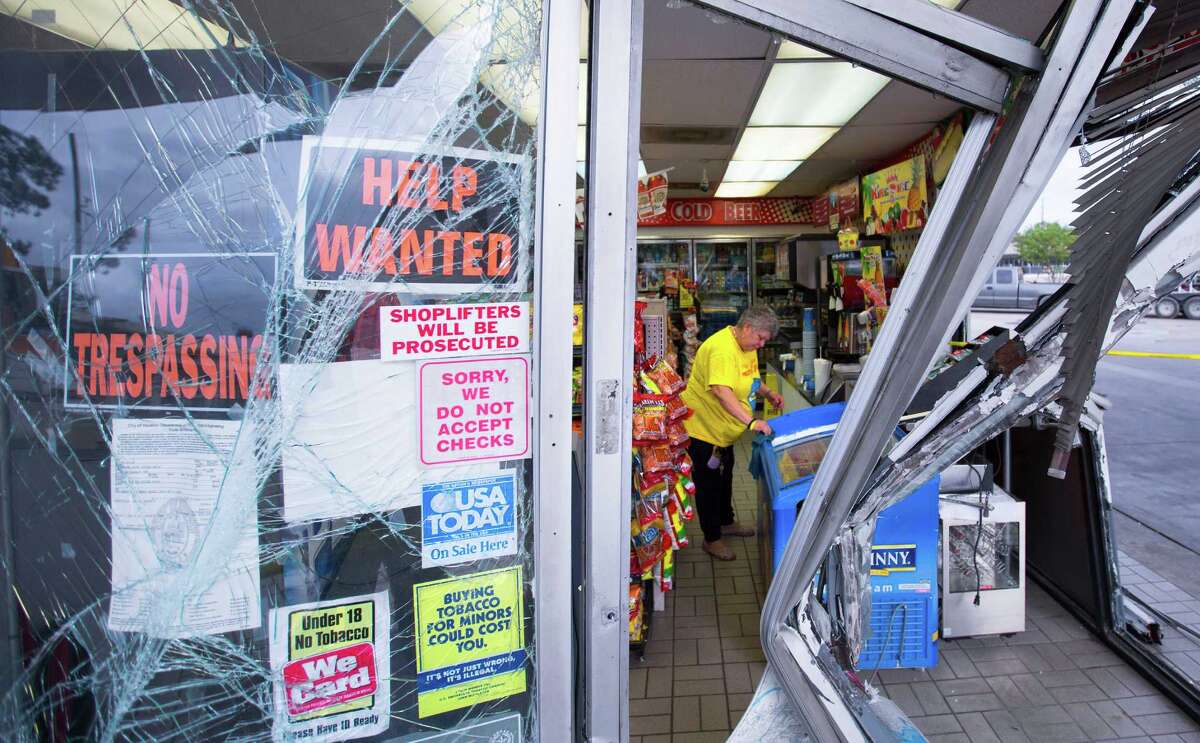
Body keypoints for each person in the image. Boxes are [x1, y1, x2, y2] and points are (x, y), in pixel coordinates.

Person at [680, 306, 784, 561]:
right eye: (760, 338)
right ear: (747, 327)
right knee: (708, 485)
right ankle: (711, 538)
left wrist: (768, 393)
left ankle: (726, 522)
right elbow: (721, 391)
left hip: (724, 432)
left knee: (725, 478)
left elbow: (751, 379)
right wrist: (752, 422)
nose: (761, 344)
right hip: (704, 431)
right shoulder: (722, 350)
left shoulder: (745, 346)